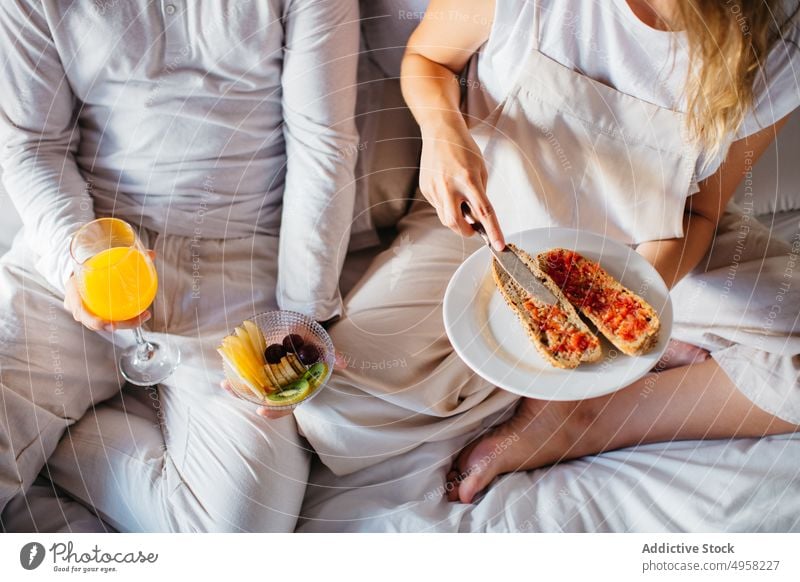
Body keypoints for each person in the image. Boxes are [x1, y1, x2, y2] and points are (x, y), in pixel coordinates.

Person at [294, 0, 800, 506]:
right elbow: (427, 61)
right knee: (335, 412)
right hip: (484, 231)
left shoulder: (779, 35)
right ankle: (591, 372)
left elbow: (700, 215)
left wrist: (618, 305)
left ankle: (583, 417)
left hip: (646, 252)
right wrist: (442, 133)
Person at [0, 0, 359, 531]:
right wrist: (72, 258)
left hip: (235, 265)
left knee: (242, 529)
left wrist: (301, 323)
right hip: (89, 246)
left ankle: (58, 445)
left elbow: (321, 144)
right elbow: (32, 142)